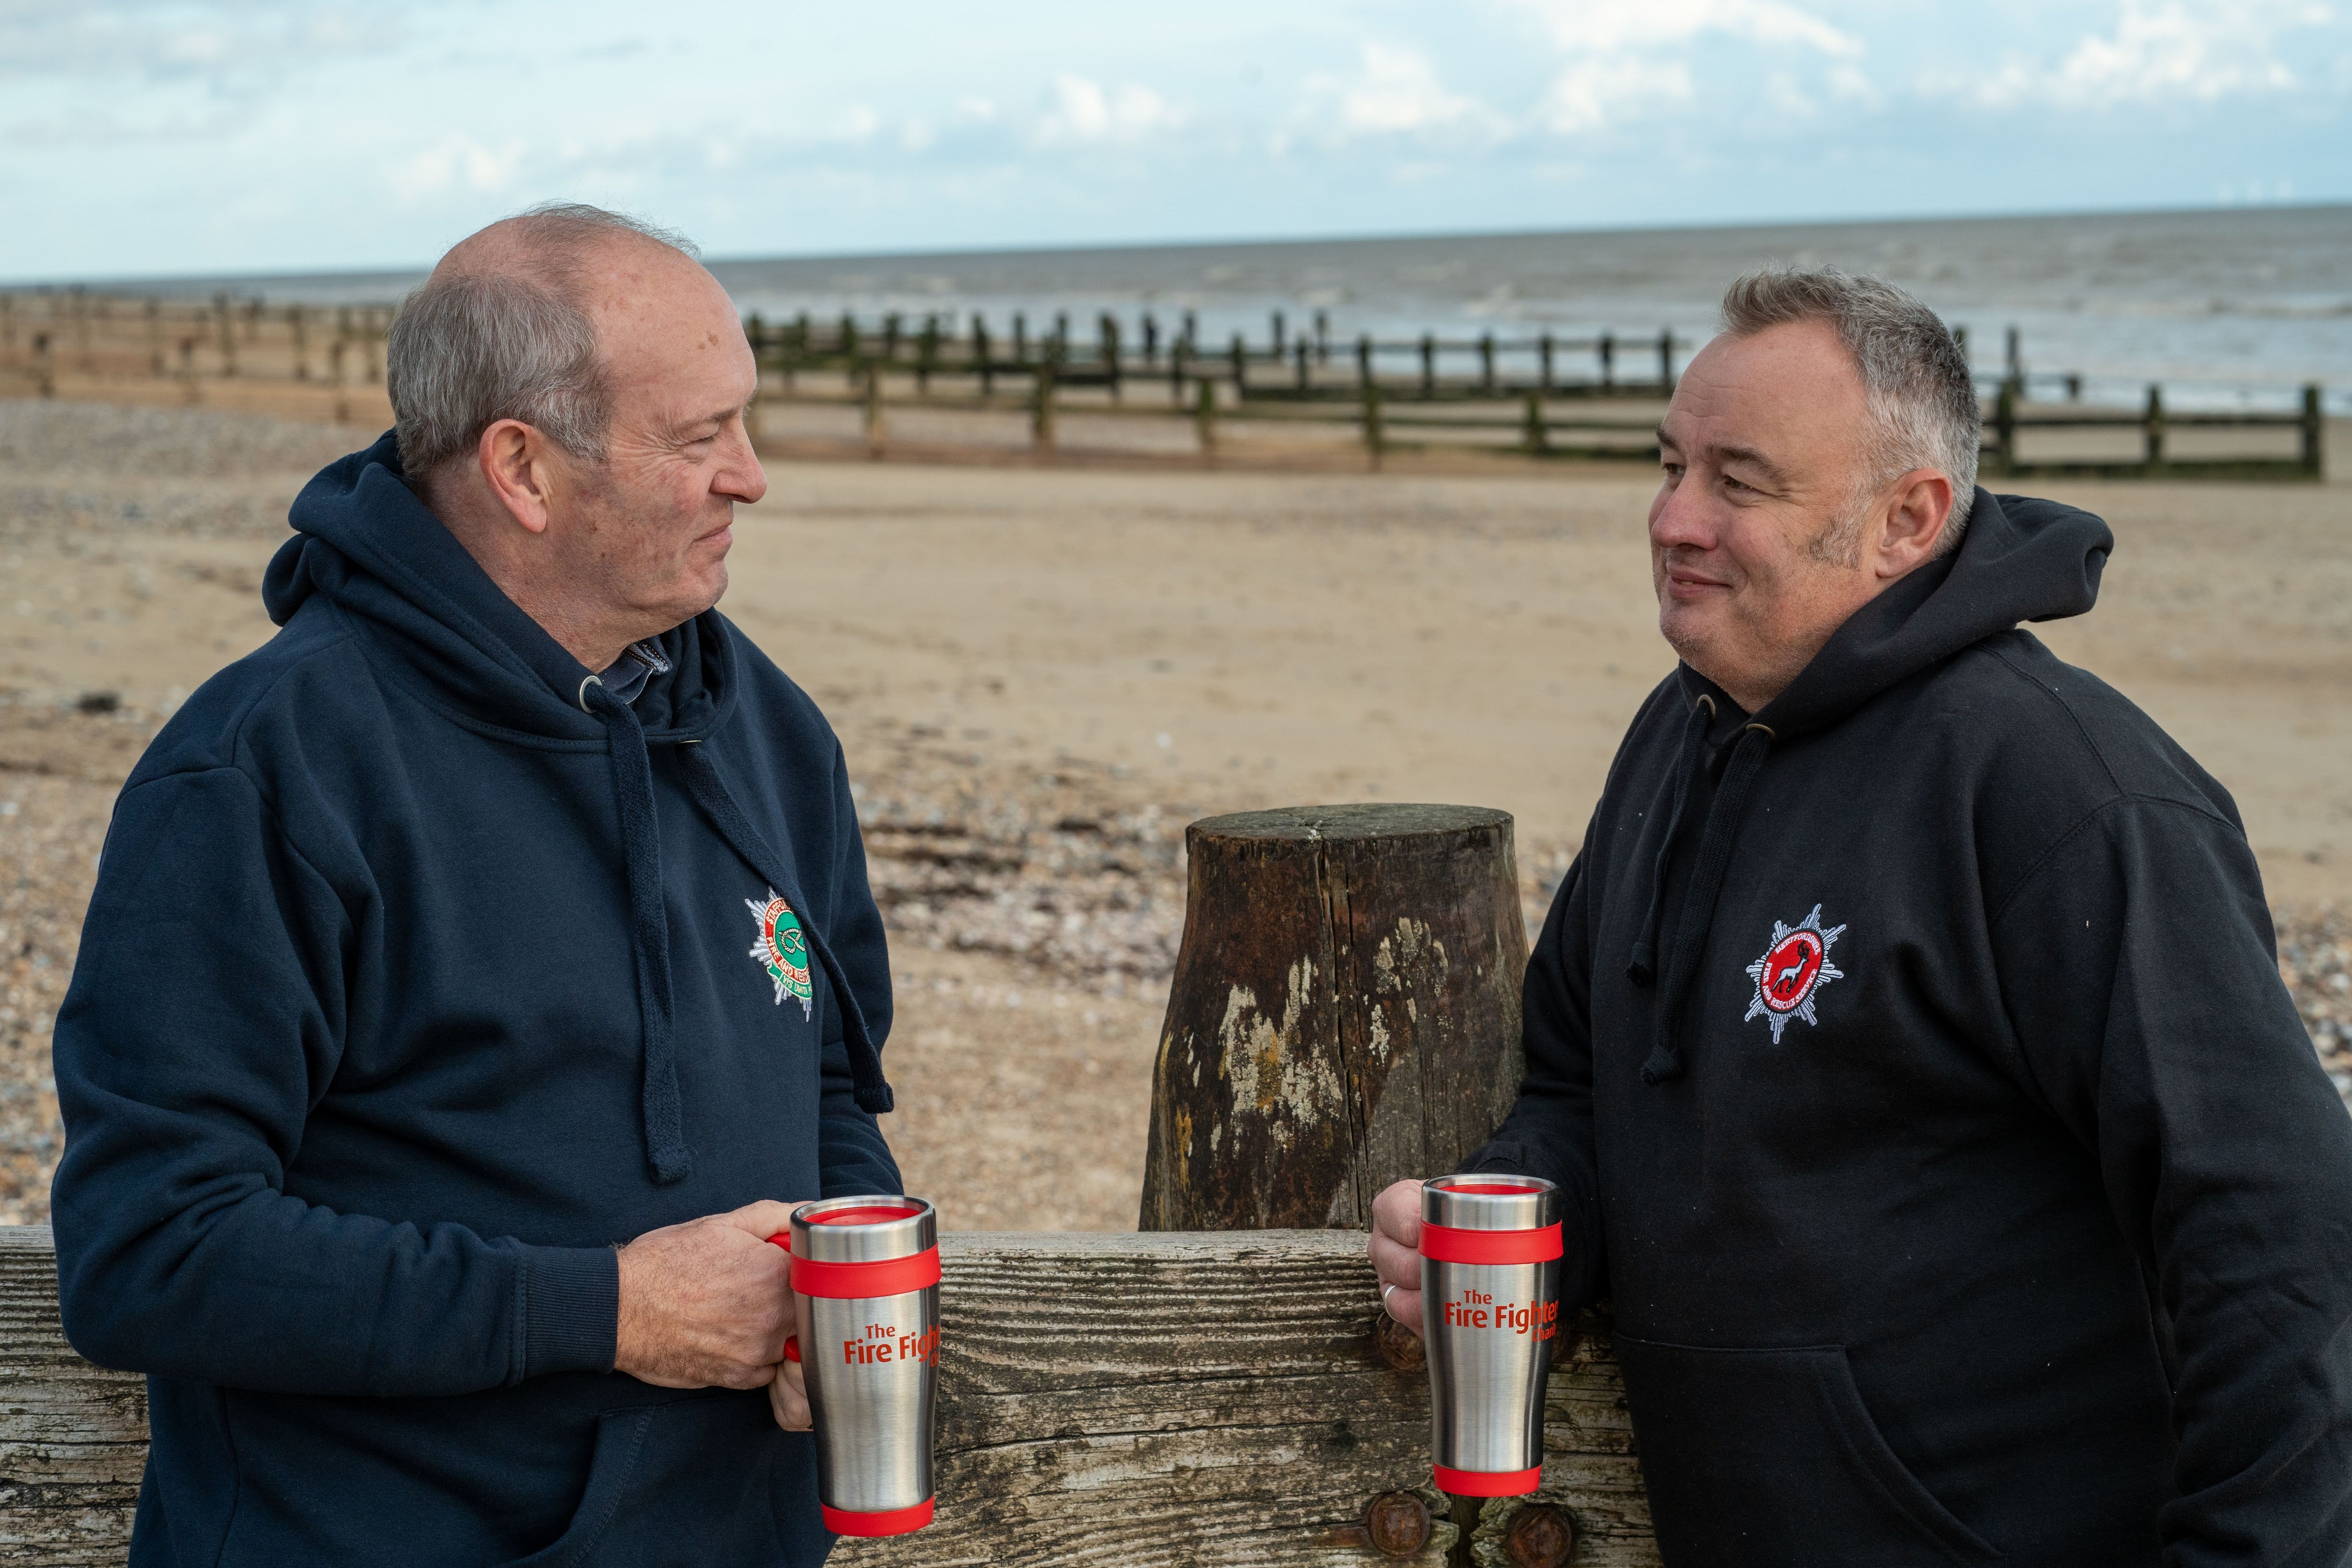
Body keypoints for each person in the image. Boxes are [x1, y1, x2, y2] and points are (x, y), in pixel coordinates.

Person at [1370, 269, 2352, 1564]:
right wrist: (1527, 1219)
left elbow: (2278, 1232)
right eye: (1668, 466)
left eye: (1739, 481)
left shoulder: (2066, 792)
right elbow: (1577, 1075)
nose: (1672, 519)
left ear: (1908, 518)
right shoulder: (1679, 731)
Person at [49, 204, 901, 1566]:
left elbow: (827, 1086)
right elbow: (149, 1248)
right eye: (699, 437)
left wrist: (835, 1294)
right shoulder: (266, 769)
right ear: (523, 468)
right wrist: (610, 1309)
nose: (751, 476)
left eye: (745, 423)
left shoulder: (766, 731)